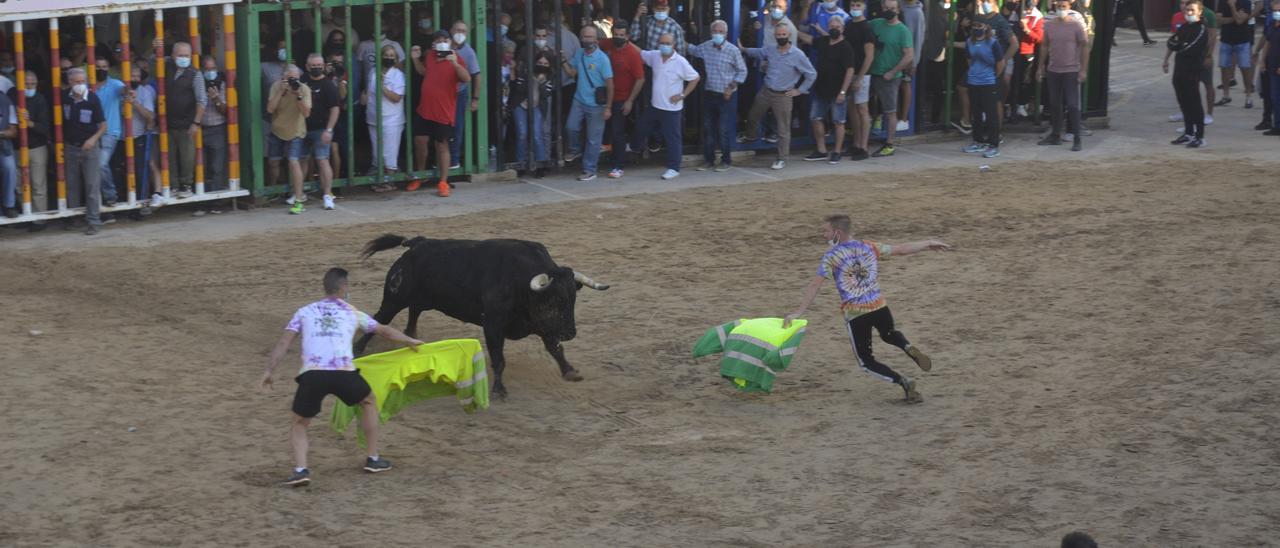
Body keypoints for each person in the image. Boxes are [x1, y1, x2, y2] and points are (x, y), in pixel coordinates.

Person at [260, 267, 425, 487]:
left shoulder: (304, 312)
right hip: (342, 372)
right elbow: (383, 330)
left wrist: (269, 371)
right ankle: (373, 458)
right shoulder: (351, 312)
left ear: (325, 287)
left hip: (313, 374)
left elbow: (283, 343)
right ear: (343, 288)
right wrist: (409, 341)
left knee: (300, 423)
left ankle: (301, 470)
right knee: (368, 401)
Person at [782, 214, 950, 403]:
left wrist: (799, 311)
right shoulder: (868, 246)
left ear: (837, 232)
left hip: (856, 314)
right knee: (889, 334)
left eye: (826, 231)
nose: (823, 235)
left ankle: (904, 381)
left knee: (866, 362)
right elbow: (901, 249)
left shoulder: (831, 256)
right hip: (880, 307)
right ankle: (906, 346)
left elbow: (815, 286)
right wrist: (928, 243)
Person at [742, 22, 818, 170]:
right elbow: (758, 52)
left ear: (789, 35)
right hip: (766, 91)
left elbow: (811, 74)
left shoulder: (797, 54)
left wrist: (800, 90)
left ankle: (781, 158)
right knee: (752, 116)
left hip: (783, 95)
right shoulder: (771, 50)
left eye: (783, 34)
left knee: (783, 129)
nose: (781, 37)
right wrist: (743, 49)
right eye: (778, 35)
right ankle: (750, 137)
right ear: (775, 36)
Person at [409, 31, 472, 196]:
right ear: (433, 43)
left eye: (445, 40)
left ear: (450, 42)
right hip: (425, 109)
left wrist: (455, 64)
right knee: (420, 141)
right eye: (438, 40)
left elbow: (466, 78)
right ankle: (421, 176)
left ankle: (443, 182)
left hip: (444, 112)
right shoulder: (430, 55)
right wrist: (415, 58)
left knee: (442, 145)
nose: (442, 42)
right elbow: (424, 72)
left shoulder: (455, 57)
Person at [632, 33, 700, 180]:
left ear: (674, 44)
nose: (664, 45)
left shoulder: (680, 62)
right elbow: (641, 53)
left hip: (671, 109)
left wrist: (682, 95)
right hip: (655, 106)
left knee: (673, 139)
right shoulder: (655, 56)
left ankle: (674, 168)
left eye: (668, 43)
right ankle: (634, 148)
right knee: (641, 127)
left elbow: (695, 78)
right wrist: (626, 42)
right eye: (662, 43)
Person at [688, 20, 748, 172]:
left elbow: (742, 71)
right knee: (708, 129)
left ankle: (726, 160)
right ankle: (709, 160)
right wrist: (679, 39)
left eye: (721, 32)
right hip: (710, 93)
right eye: (715, 31)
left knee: (723, 130)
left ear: (726, 34)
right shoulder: (706, 47)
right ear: (711, 32)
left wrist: (731, 87)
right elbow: (693, 50)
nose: (718, 34)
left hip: (725, 96)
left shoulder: (733, 50)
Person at [561, 26, 614, 182]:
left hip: (597, 105)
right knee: (570, 127)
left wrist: (608, 107)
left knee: (593, 139)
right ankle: (575, 150)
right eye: (585, 36)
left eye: (590, 37)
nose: (587, 40)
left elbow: (610, 85)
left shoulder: (603, 59)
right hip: (580, 99)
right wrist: (563, 61)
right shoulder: (579, 53)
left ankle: (590, 170)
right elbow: (572, 73)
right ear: (581, 38)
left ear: (596, 39)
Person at [1037, 0, 1090, 151]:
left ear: (1069, 7)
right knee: (1055, 104)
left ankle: (1077, 138)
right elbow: (1045, 45)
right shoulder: (1049, 24)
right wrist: (1040, 66)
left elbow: (1084, 45)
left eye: (1064, 7)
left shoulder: (1076, 24)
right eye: (1058, 7)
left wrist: (1083, 69)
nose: (1061, 9)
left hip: (1071, 70)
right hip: (1054, 70)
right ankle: (1055, 135)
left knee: (1073, 105)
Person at [805, 15, 856, 165]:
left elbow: (850, 70)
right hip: (821, 89)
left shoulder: (846, 47)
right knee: (815, 118)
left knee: (839, 122)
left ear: (842, 29)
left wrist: (843, 92)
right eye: (832, 27)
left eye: (837, 27)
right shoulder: (823, 41)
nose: (834, 30)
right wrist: (792, 29)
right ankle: (821, 150)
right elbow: (810, 40)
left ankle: (837, 152)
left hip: (838, 91)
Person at [867, 0, 916, 157]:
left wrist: (893, 71)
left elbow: (909, 55)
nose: (889, 11)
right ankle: (861, 141)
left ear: (898, 9)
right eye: (886, 8)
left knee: (890, 111)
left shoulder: (903, 30)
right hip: (872, 72)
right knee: (860, 105)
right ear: (882, 8)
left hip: (890, 76)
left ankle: (889, 144)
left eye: (892, 8)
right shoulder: (876, 23)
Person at [600, 19, 647, 179]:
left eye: (621, 35)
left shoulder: (633, 54)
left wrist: (630, 101)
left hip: (622, 98)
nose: (618, 37)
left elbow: (640, 79)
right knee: (607, 130)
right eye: (615, 34)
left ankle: (618, 165)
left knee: (617, 132)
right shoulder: (606, 44)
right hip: (605, 97)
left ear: (627, 36)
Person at [62, 68, 107, 235]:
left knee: (91, 185)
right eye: (76, 82)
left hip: (90, 148)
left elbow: (103, 126)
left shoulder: (93, 99)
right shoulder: (64, 98)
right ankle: (74, 219)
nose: (80, 85)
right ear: (70, 82)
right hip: (71, 147)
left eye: (83, 82)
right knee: (72, 185)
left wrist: (93, 139)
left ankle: (94, 221)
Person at [161, 42, 207, 200]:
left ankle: (186, 186)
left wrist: (196, 123)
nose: (183, 58)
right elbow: (154, 60)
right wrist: (157, 46)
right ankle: (173, 186)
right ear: (173, 56)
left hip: (187, 124)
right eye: (180, 55)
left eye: (186, 55)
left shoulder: (195, 74)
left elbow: (202, 101)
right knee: (170, 157)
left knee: (187, 157)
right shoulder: (166, 68)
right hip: (167, 123)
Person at [268, 65, 313, 214]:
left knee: (293, 161)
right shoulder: (276, 86)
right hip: (278, 129)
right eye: (290, 78)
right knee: (273, 162)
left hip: (296, 131)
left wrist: (297, 95)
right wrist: (281, 91)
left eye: (296, 78)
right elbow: (270, 109)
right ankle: (273, 190)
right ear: (283, 78)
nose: (294, 81)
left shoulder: (304, 89)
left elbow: (306, 113)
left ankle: (299, 199)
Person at [958, 18, 1006, 158]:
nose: (976, 28)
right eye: (974, 26)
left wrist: (992, 76)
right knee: (976, 114)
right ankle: (978, 141)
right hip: (974, 82)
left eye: (979, 25)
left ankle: (993, 144)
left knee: (991, 115)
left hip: (988, 82)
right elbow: (969, 61)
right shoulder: (969, 42)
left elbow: (1000, 63)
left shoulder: (992, 43)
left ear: (986, 27)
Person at [1165, 0, 1210, 148]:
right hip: (1180, 70)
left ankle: (1200, 136)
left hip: (1192, 71)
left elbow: (1188, 48)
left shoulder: (1201, 28)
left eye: (1192, 10)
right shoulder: (1184, 27)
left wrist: (1178, 45)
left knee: (1194, 103)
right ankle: (1188, 132)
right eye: (1187, 10)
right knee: (1183, 102)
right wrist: (1177, 45)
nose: (1188, 13)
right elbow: (1171, 42)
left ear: (1199, 12)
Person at [362, 46, 406, 192]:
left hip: (392, 118)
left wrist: (383, 87)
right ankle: (380, 179)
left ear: (396, 59)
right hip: (373, 117)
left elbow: (397, 98)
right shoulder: (373, 72)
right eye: (386, 55)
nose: (389, 58)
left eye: (391, 55)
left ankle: (390, 181)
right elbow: (368, 91)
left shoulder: (398, 74)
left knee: (390, 151)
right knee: (377, 151)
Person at [1170, 0, 1218, 125]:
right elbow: (1174, 41)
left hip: (1200, 58)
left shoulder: (1207, 18)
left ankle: (1208, 114)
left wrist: (1208, 55)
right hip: (1185, 63)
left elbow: (1212, 36)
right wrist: (1167, 58)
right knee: (1187, 90)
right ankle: (1187, 117)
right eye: (1182, 3)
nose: (1185, 7)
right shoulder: (1179, 19)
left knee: (1207, 84)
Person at [509, 52, 556, 178]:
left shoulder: (550, 77)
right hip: (521, 105)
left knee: (537, 134)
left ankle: (540, 165)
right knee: (522, 134)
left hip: (537, 106)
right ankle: (521, 164)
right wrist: (533, 80)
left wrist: (541, 83)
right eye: (540, 63)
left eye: (545, 63)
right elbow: (519, 89)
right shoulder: (525, 72)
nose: (542, 65)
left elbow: (546, 94)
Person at [123, 65, 163, 215]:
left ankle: (145, 201)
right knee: (126, 171)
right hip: (122, 138)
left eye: (136, 76)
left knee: (145, 168)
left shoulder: (145, 92)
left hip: (141, 135)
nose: (134, 79)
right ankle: (130, 204)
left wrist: (135, 104)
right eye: (131, 75)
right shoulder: (119, 91)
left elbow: (150, 116)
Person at [303, 53, 340, 211]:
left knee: (323, 160)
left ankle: (327, 194)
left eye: (319, 65)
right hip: (302, 129)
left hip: (321, 129)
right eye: (313, 65)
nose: (316, 68)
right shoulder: (303, 81)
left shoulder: (328, 85)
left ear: (324, 66)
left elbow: (335, 109)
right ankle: (299, 193)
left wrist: (329, 130)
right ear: (307, 67)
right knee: (301, 161)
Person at [17, 70, 52, 228]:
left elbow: (45, 128)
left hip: (37, 147)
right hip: (16, 148)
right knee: (18, 186)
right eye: (26, 84)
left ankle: (39, 219)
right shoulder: (12, 96)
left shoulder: (41, 99)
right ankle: (25, 215)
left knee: (38, 185)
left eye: (33, 84)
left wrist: (28, 122)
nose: (30, 87)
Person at [91, 56, 127, 208]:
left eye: (104, 66)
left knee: (100, 164)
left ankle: (110, 195)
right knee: (91, 168)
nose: (101, 69)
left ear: (109, 68)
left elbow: (125, 90)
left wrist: (130, 89)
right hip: (90, 133)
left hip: (110, 132)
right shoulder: (87, 86)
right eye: (98, 66)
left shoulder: (115, 84)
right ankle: (96, 200)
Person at [844, 0, 878, 160]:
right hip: (850, 72)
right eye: (853, 6)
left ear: (864, 7)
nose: (855, 8)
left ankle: (864, 147)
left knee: (862, 109)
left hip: (862, 74)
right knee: (852, 108)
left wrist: (860, 78)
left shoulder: (867, 28)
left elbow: (869, 56)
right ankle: (856, 144)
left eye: (858, 6)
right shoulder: (849, 25)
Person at [448, 22, 483, 170]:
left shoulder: (469, 52)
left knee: (457, 126)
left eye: (463, 31)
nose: (460, 33)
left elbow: (477, 76)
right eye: (457, 30)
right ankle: (442, 158)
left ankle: (454, 160)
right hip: (442, 93)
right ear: (451, 31)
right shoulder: (444, 47)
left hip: (459, 94)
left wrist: (475, 99)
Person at [199, 56, 229, 213]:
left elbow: (227, 111)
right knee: (201, 167)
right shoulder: (197, 84)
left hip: (217, 129)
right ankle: (204, 201)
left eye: (212, 69)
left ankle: (216, 203)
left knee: (216, 167)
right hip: (200, 129)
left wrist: (216, 99)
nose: (210, 72)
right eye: (207, 69)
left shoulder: (222, 84)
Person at [1216, 0, 1258, 107]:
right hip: (1226, 39)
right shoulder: (1222, 2)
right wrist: (1234, 17)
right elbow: (1218, 20)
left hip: (1242, 40)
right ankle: (1226, 95)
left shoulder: (1245, 2)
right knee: (1224, 68)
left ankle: (1248, 96)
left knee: (1245, 69)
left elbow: (1240, 21)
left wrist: (1232, 6)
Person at [1009, 1, 1045, 120]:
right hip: (1012, 49)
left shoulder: (1038, 16)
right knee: (1012, 78)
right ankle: (1011, 105)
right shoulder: (1016, 10)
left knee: (1025, 80)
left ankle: (1021, 104)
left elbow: (1039, 38)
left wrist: (1026, 28)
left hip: (1027, 52)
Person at [1255, 0, 1280, 135]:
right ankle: (1276, 125)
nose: (1276, 13)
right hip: (1271, 66)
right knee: (1273, 96)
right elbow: (1267, 43)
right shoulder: (1272, 25)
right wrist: (1262, 61)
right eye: (1274, 11)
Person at [0, 91, 15, 219]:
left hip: (3, 145)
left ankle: (8, 205)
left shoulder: (5, 100)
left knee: (10, 167)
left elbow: (13, 131)